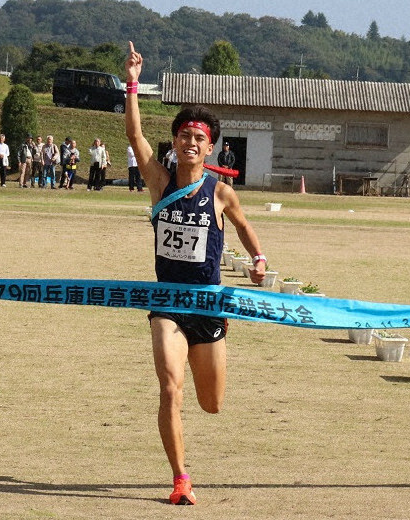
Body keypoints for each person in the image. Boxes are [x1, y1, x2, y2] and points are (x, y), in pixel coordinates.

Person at [125, 41, 266, 506]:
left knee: (212, 403)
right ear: (177, 141)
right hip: (167, 303)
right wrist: (132, 85)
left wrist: (259, 260)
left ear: (211, 146)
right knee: (170, 387)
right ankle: (180, 478)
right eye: (184, 135)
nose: (190, 142)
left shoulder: (222, 193)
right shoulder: (158, 183)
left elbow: (244, 229)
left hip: (209, 306)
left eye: (199, 137)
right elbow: (135, 138)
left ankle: (208, 358)